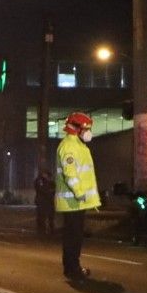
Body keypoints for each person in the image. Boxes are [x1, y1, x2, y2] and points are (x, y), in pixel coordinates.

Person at [55, 111, 100, 279]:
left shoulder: (78, 145)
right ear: (76, 128)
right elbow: (70, 173)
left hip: (77, 202)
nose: (88, 132)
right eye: (86, 128)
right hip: (73, 201)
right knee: (73, 237)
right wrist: (80, 193)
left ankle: (72, 267)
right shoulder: (70, 146)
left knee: (74, 236)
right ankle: (72, 268)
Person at [34, 169, 56, 237]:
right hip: (42, 201)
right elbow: (41, 190)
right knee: (41, 216)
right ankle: (41, 230)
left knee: (50, 217)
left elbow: (54, 190)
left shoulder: (51, 182)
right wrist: (49, 192)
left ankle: (51, 230)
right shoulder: (39, 181)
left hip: (49, 201)